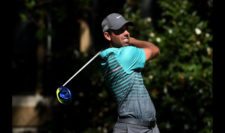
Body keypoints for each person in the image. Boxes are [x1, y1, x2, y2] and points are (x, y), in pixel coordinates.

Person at [99, 13, 160, 133]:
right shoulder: (125, 55)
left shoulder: (108, 58)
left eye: (126, 29)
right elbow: (155, 50)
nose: (126, 33)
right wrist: (133, 41)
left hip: (148, 127)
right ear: (107, 35)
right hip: (134, 129)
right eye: (119, 31)